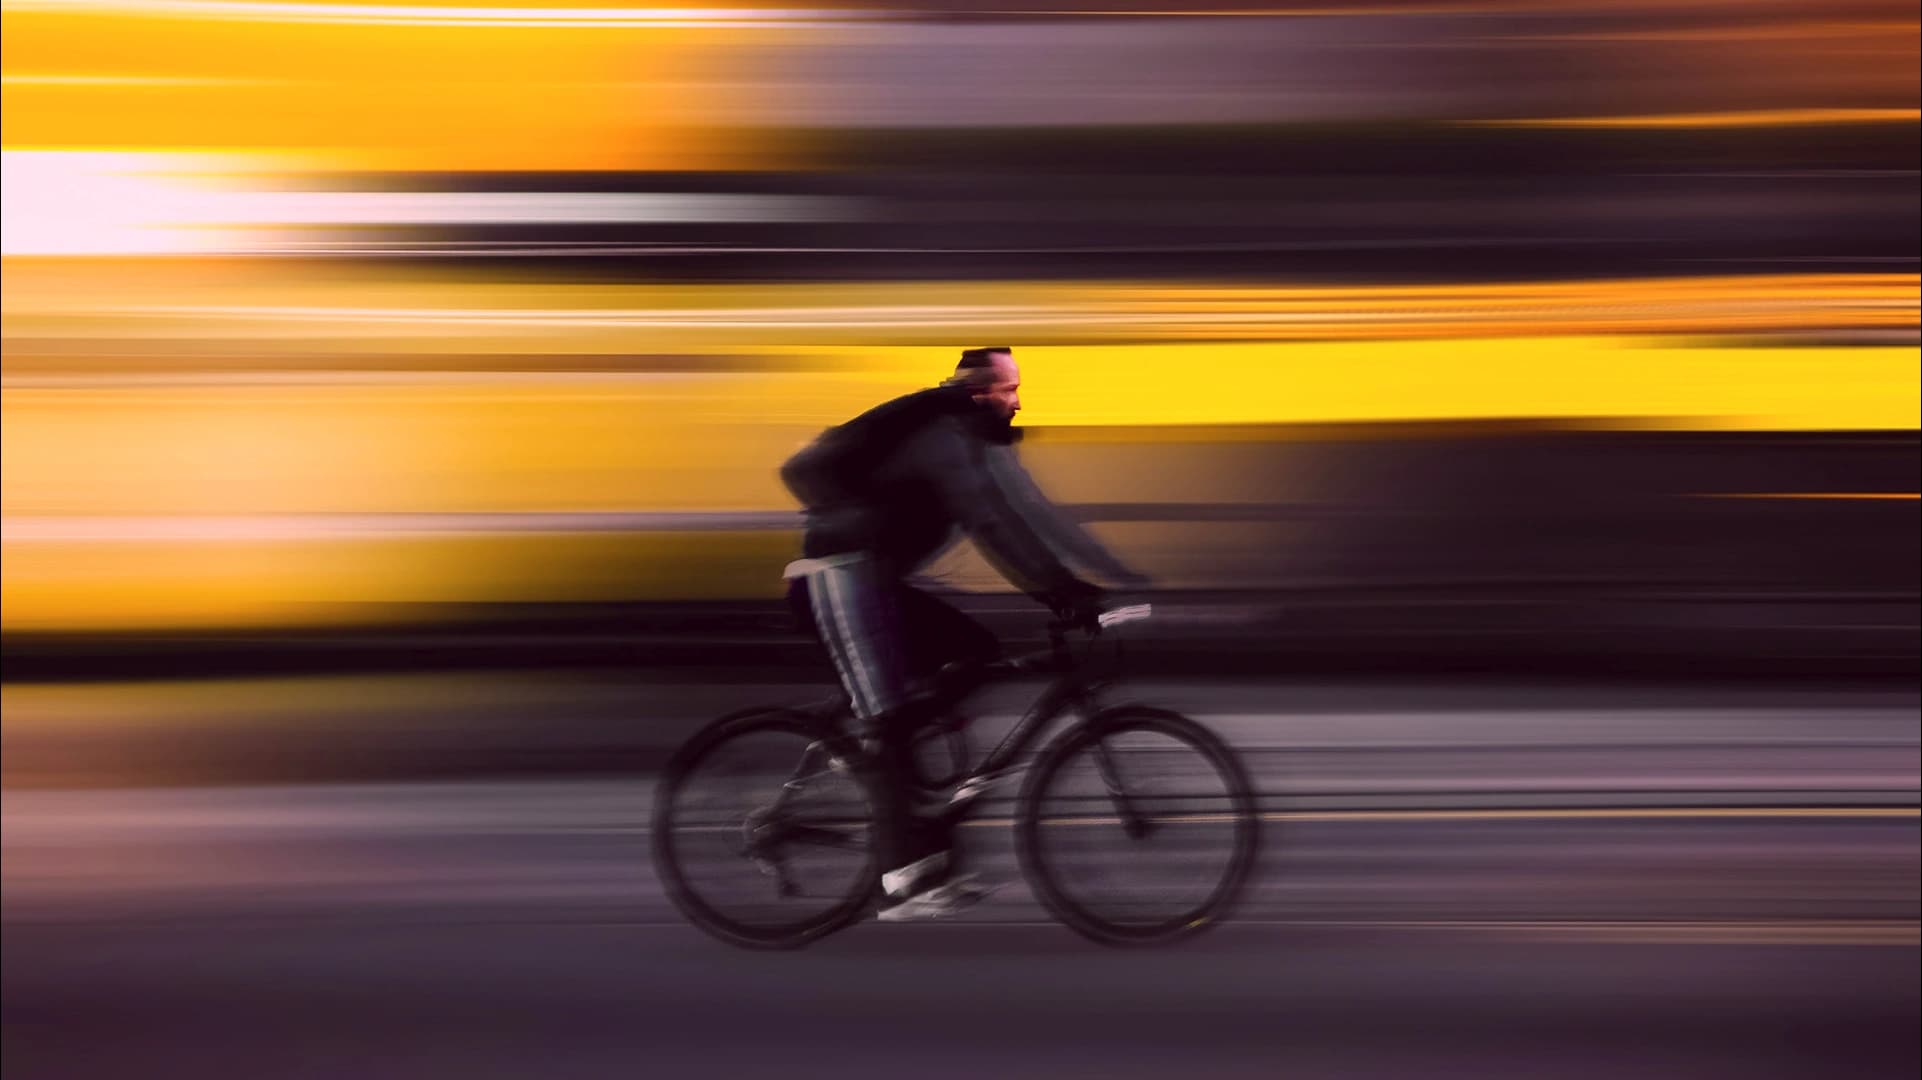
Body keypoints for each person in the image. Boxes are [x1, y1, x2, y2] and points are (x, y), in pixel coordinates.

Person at [780, 346, 1148, 920]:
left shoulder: (973, 443)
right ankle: (903, 881)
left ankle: (879, 754)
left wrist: (1100, 583)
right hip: (838, 576)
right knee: (891, 726)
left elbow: (1028, 518)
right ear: (979, 390)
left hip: (874, 583)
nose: (1018, 402)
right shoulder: (943, 436)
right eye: (1009, 390)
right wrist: (1062, 592)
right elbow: (992, 526)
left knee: (974, 651)